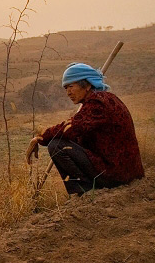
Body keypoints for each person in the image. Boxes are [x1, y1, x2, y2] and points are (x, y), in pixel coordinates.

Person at [25, 62, 144, 195]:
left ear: (87, 85)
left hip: (117, 174)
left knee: (56, 145)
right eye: (65, 88)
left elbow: (70, 129)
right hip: (123, 171)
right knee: (67, 141)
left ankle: (85, 193)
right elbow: (76, 131)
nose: (68, 92)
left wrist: (41, 137)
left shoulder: (98, 103)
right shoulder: (106, 98)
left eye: (71, 86)